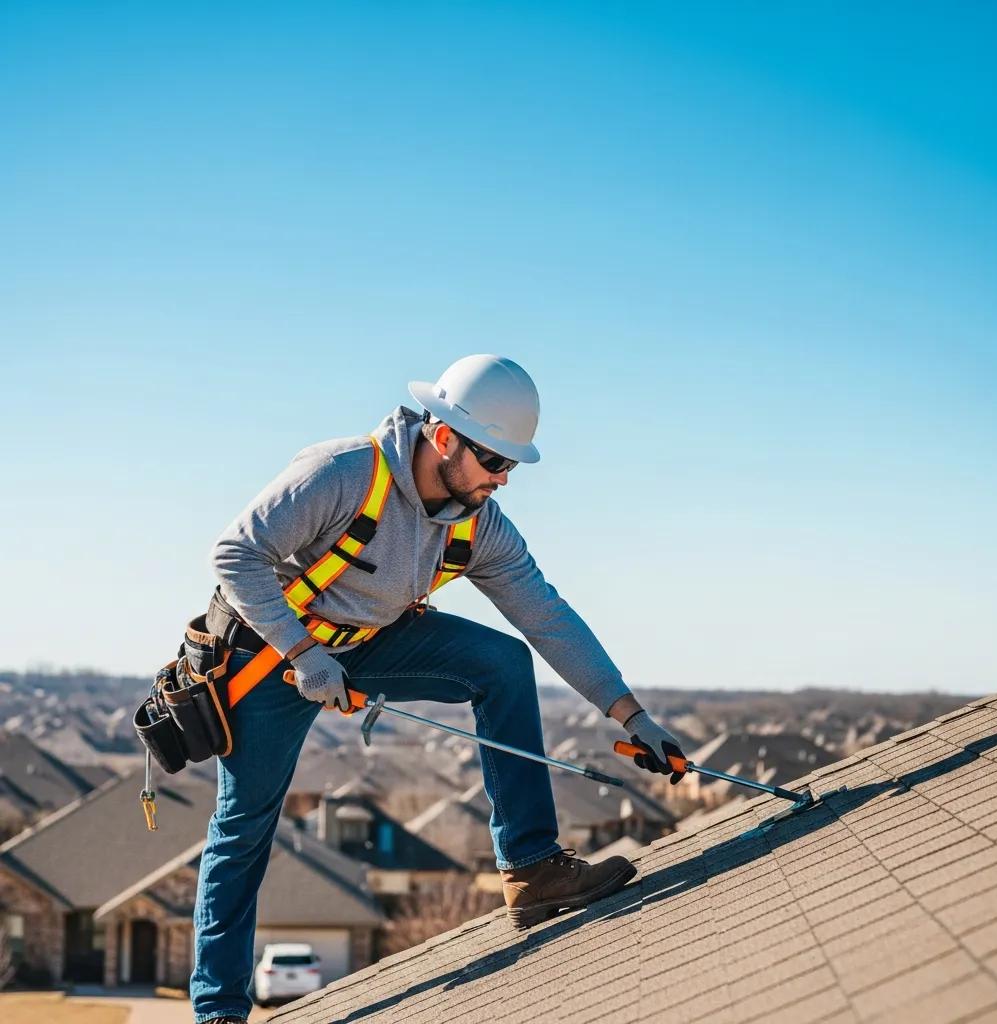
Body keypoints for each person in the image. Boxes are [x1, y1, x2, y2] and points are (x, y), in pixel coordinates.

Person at [189, 354, 688, 1024]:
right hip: (270, 656)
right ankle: (218, 1009)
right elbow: (234, 554)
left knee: (503, 662)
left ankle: (533, 867)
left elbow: (546, 615)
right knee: (245, 824)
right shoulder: (340, 474)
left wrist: (632, 716)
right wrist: (303, 651)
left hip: (369, 642)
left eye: (511, 467)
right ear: (444, 436)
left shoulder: (477, 523)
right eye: (493, 462)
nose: (502, 480)